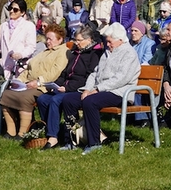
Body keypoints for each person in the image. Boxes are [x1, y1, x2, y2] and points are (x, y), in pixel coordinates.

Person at [60, 23, 142, 154]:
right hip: (101, 90)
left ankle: (94, 143)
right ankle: (70, 140)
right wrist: (87, 89)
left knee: (90, 102)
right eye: (107, 41)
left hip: (119, 92)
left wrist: (98, 89)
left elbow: (121, 78)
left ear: (120, 40)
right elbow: (95, 73)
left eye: (110, 41)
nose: (107, 44)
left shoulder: (129, 53)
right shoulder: (107, 53)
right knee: (69, 100)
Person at [37, 25, 105, 149]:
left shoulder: (94, 54)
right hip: (65, 87)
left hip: (79, 89)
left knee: (56, 100)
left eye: (79, 40)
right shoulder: (75, 53)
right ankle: (51, 130)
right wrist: (56, 84)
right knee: (43, 99)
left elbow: (88, 77)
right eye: (75, 40)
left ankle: (53, 137)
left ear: (88, 40)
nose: (76, 43)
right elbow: (65, 73)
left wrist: (67, 88)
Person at [0, 24, 70, 138]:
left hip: (44, 86)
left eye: (50, 39)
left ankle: (23, 133)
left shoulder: (63, 52)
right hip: (28, 84)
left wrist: (38, 82)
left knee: (24, 98)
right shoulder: (44, 52)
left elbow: (55, 72)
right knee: (7, 94)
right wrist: (18, 81)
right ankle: (11, 130)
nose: (47, 41)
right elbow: (28, 70)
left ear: (60, 39)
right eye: (47, 38)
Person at [0, 0, 37, 78]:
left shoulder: (29, 26)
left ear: (22, 12)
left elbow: (31, 46)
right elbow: (0, 45)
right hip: (6, 66)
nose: (11, 11)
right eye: (10, 8)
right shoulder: (3, 26)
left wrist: (21, 54)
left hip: (20, 67)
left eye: (15, 10)